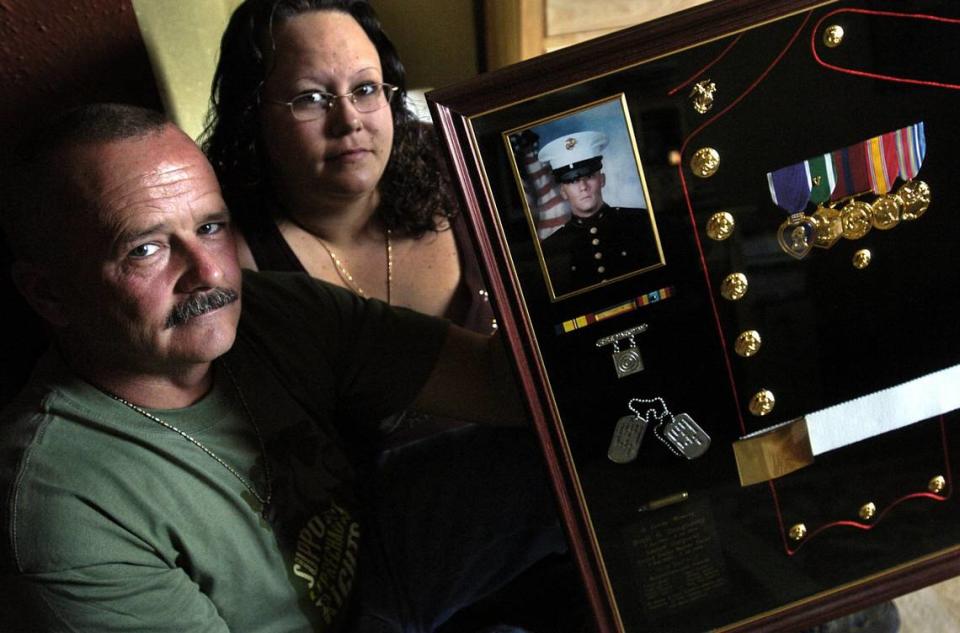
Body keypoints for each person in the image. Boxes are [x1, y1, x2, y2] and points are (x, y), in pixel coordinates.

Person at [0, 103, 568, 632]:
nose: (209, 273)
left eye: (210, 227)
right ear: (48, 295)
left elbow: (511, 388)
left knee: (577, 437)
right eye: (145, 249)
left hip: (379, 559)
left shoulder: (274, 310)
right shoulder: (60, 504)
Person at [202, 0, 495, 335]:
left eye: (365, 89)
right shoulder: (229, 265)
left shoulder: (460, 159)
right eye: (310, 98)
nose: (349, 120)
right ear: (252, 118)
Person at [537, 130, 661, 297]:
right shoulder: (552, 247)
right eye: (572, 180)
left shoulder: (640, 222)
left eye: (589, 176)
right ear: (563, 192)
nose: (583, 187)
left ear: (602, 179)